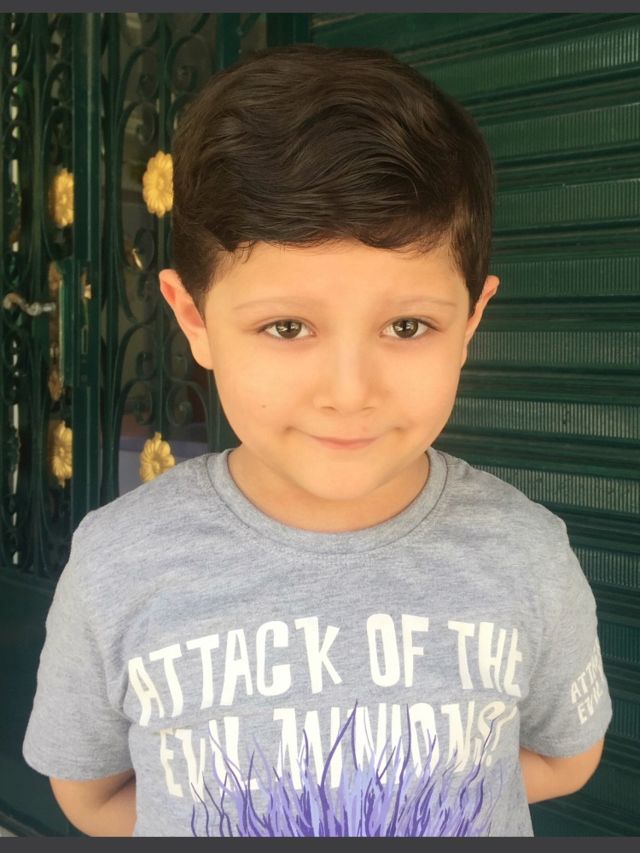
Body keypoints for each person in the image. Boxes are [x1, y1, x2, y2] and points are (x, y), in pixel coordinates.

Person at [22, 44, 612, 838]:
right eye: (287, 326)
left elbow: (567, 757)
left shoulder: (527, 554)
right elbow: (90, 796)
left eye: (408, 325)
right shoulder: (116, 565)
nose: (349, 391)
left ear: (471, 320)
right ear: (194, 318)